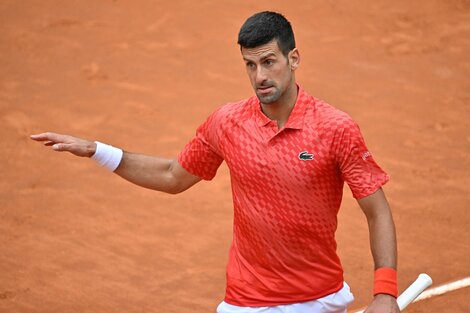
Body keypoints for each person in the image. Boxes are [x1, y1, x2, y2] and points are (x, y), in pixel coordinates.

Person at [31, 11, 399, 313]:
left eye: (269, 62)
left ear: (294, 59)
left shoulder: (336, 128)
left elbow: (376, 210)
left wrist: (385, 292)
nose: (260, 77)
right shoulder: (227, 123)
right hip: (245, 300)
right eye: (250, 65)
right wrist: (96, 149)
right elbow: (172, 176)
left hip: (318, 299)